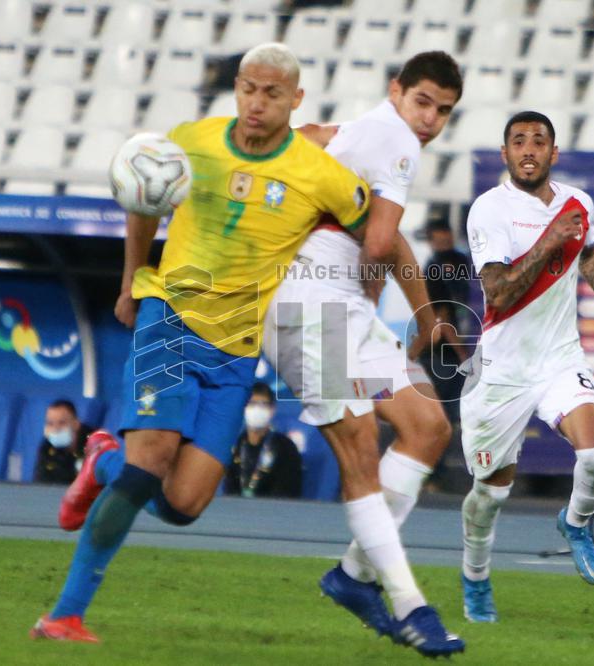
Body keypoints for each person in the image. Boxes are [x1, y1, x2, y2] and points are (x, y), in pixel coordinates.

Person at [30, 43, 375, 645]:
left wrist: (372, 306)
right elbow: (143, 200)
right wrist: (131, 281)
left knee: (185, 502)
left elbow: (380, 234)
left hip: (237, 350)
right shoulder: (192, 140)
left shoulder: (323, 177)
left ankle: (100, 460)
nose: (256, 102)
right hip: (170, 315)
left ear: (295, 100)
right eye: (247, 88)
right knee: (150, 464)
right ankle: (65, 613)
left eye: (271, 93)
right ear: (236, 89)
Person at [263, 51, 466, 654]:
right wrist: (378, 285)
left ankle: (352, 576)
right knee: (359, 453)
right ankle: (411, 608)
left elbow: (306, 142)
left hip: (336, 303)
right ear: (396, 90)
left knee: (427, 425)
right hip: (311, 303)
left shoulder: (358, 132)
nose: (430, 119)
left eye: (444, 111)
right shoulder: (397, 141)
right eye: (423, 101)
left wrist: (423, 309)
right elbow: (381, 239)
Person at [459, 111, 594, 623]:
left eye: (539, 141)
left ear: (553, 153)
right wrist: (549, 238)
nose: (529, 148)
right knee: (490, 495)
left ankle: (575, 523)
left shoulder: (577, 203)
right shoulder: (489, 210)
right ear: (506, 154)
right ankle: (475, 579)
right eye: (519, 141)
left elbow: (587, 255)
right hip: (503, 370)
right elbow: (498, 291)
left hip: (560, 358)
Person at [421, 220, 474, 425]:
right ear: (432, 242)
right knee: (448, 413)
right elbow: (441, 316)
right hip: (445, 353)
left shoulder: (462, 262)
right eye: (440, 240)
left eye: (447, 238)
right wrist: (462, 353)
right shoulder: (434, 270)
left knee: (448, 413)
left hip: (455, 352)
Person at [224, 382, 302, 499]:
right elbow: (229, 488)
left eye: (263, 405)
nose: (257, 409)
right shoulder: (235, 446)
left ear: (272, 410)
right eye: (252, 403)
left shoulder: (285, 447)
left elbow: (288, 491)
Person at [33, 400, 95, 485]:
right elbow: (40, 483)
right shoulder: (47, 447)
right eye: (50, 423)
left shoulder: (95, 443)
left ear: (76, 424)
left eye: (62, 423)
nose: (55, 429)